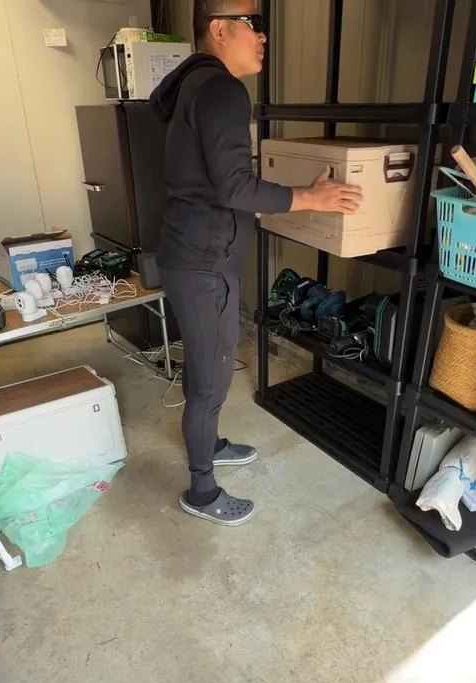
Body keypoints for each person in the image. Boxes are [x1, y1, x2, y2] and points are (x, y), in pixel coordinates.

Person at [150, 0, 362, 526]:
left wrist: (298, 196)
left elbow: (220, 185)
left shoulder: (194, 84)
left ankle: (211, 444)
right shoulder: (222, 89)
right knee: (211, 378)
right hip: (203, 266)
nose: (264, 36)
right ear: (220, 29)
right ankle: (202, 491)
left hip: (195, 256)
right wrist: (311, 198)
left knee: (208, 368)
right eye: (255, 24)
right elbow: (235, 187)